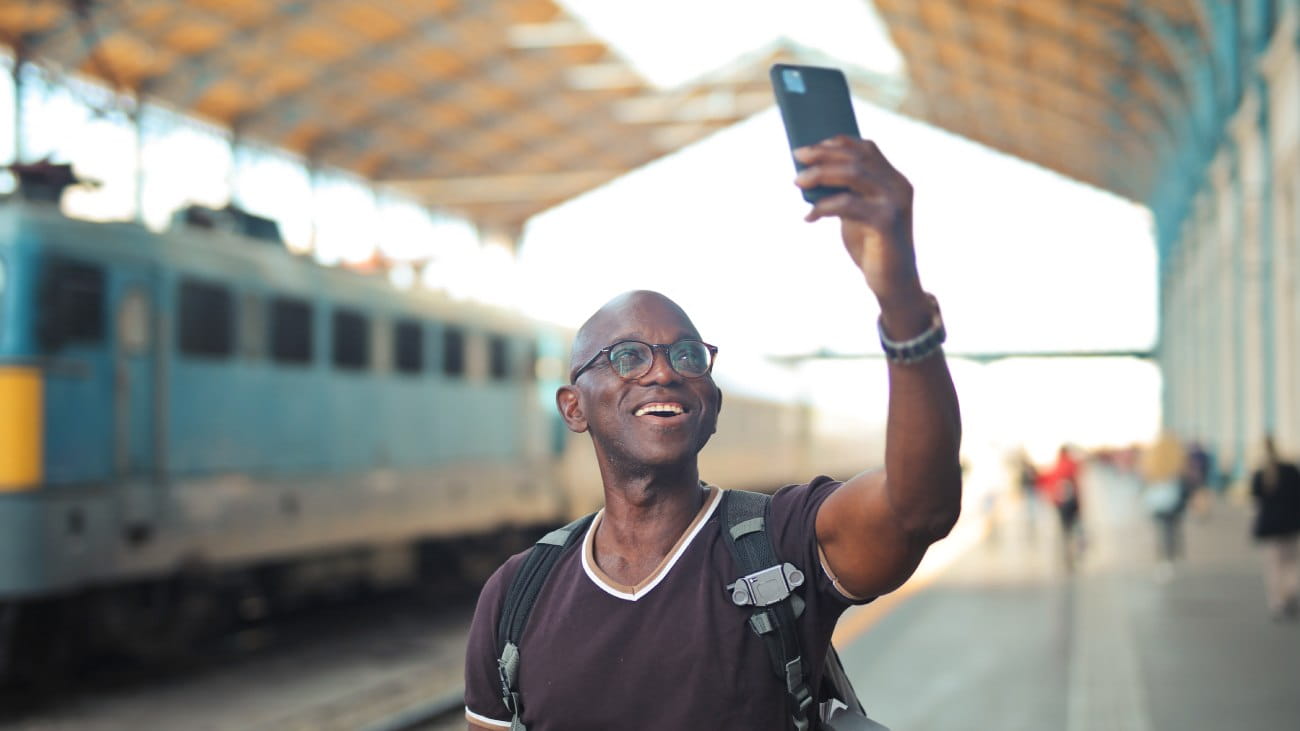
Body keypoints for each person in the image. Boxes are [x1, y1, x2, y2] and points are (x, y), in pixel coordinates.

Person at [462, 136, 962, 730]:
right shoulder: (516, 597)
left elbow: (918, 512)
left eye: (688, 356)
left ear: (712, 404)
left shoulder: (782, 546)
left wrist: (899, 295)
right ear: (574, 407)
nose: (665, 371)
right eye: (626, 357)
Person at [1249, 435, 1300, 620]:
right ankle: (1290, 592)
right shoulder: (1291, 470)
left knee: (1274, 565)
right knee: (1291, 562)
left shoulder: (1260, 473)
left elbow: (1255, 498)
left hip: (1271, 526)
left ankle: (1277, 601)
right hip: (1291, 524)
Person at [1139, 431, 1189, 577]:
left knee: (1162, 531)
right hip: (1173, 497)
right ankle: (1175, 555)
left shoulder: (1152, 457)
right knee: (1173, 528)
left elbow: (1146, 476)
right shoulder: (1176, 456)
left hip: (1159, 500)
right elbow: (1183, 475)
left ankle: (1164, 559)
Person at [1036, 445, 1084, 570]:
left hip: (1061, 503)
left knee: (1065, 529)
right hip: (1072, 502)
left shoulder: (1057, 466)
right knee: (1073, 527)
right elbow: (1077, 482)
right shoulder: (1072, 464)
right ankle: (1073, 550)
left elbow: (1047, 481)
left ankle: (1068, 551)